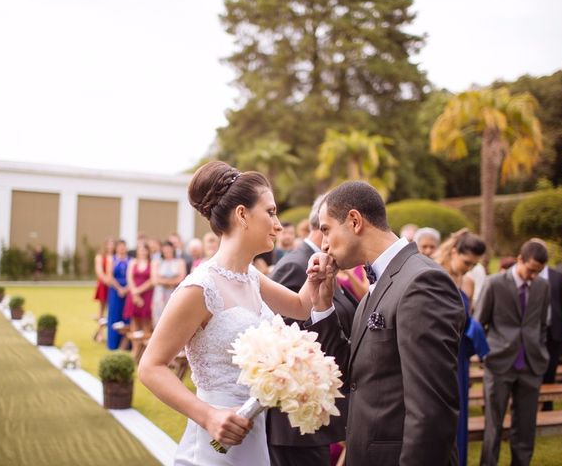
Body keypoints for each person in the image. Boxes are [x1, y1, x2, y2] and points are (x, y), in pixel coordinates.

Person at [138, 161, 327, 466]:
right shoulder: (199, 288)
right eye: (271, 212)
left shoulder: (251, 276)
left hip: (254, 435)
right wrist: (209, 415)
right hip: (215, 440)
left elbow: (300, 307)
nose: (278, 224)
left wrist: (319, 270)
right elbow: (150, 366)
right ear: (242, 215)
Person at [307, 181, 465, 465]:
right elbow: (351, 373)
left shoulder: (421, 282)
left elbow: (431, 413)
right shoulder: (377, 284)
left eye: (326, 230)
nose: (323, 244)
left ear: (354, 221)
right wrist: (322, 305)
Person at [266, 194, 358, 466]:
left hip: (315, 414)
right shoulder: (296, 266)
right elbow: (283, 339)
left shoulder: (322, 263)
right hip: (295, 420)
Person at [475, 240, 551, 466]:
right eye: (530, 270)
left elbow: (542, 325)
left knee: (526, 425)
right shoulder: (494, 283)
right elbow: (479, 324)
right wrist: (485, 356)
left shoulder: (542, 287)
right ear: (520, 259)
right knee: (493, 425)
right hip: (498, 364)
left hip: (531, 365)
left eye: (538, 272)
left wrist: (541, 350)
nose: (532, 277)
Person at [434, 229, 489, 466]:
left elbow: (466, 317)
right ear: (454, 251)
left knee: (460, 414)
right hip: (438, 354)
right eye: (466, 262)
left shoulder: (467, 282)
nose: (468, 268)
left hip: (460, 357)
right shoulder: (434, 274)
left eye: (473, 265)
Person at [532, 240, 562, 410]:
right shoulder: (526, 275)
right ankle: (531, 403)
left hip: (554, 330)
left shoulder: (556, 276)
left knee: (551, 368)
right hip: (532, 331)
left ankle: (547, 405)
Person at [151, 241, 186, 328]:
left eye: (169, 250)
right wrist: (172, 281)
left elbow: (181, 279)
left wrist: (163, 280)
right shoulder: (157, 262)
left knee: (174, 319)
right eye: (165, 250)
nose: (167, 252)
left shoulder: (179, 262)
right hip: (160, 296)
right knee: (159, 321)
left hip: (174, 295)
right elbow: (154, 280)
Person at [123, 241, 154, 340]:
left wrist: (139, 291)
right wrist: (135, 293)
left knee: (146, 321)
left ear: (148, 251)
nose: (143, 252)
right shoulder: (133, 262)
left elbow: (152, 280)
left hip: (147, 294)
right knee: (134, 320)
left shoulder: (152, 263)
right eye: (140, 250)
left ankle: (144, 349)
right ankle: (135, 349)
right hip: (133, 294)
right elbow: (129, 278)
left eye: (145, 250)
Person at [106, 239, 130, 350]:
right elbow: (109, 277)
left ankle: (126, 343)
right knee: (114, 315)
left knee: (126, 315)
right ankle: (113, 343)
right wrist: (119, 288)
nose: (122, 249)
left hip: (128, 290)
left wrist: (126, 289)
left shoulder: (130, 260)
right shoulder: (112, 260)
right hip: (115, 290)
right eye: (120, 246)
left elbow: (132, 277)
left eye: (123, 246)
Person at [93, 237, 115, 342]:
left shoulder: (115, 256)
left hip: (113, 285)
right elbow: (99, 271)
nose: (110, 247)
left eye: (112, 244)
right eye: (109, 244)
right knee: (102, 310)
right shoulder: (100, 256)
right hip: (104, 285)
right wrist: (107, 280)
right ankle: (100, 332)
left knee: (112, 310)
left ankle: (110, 333)